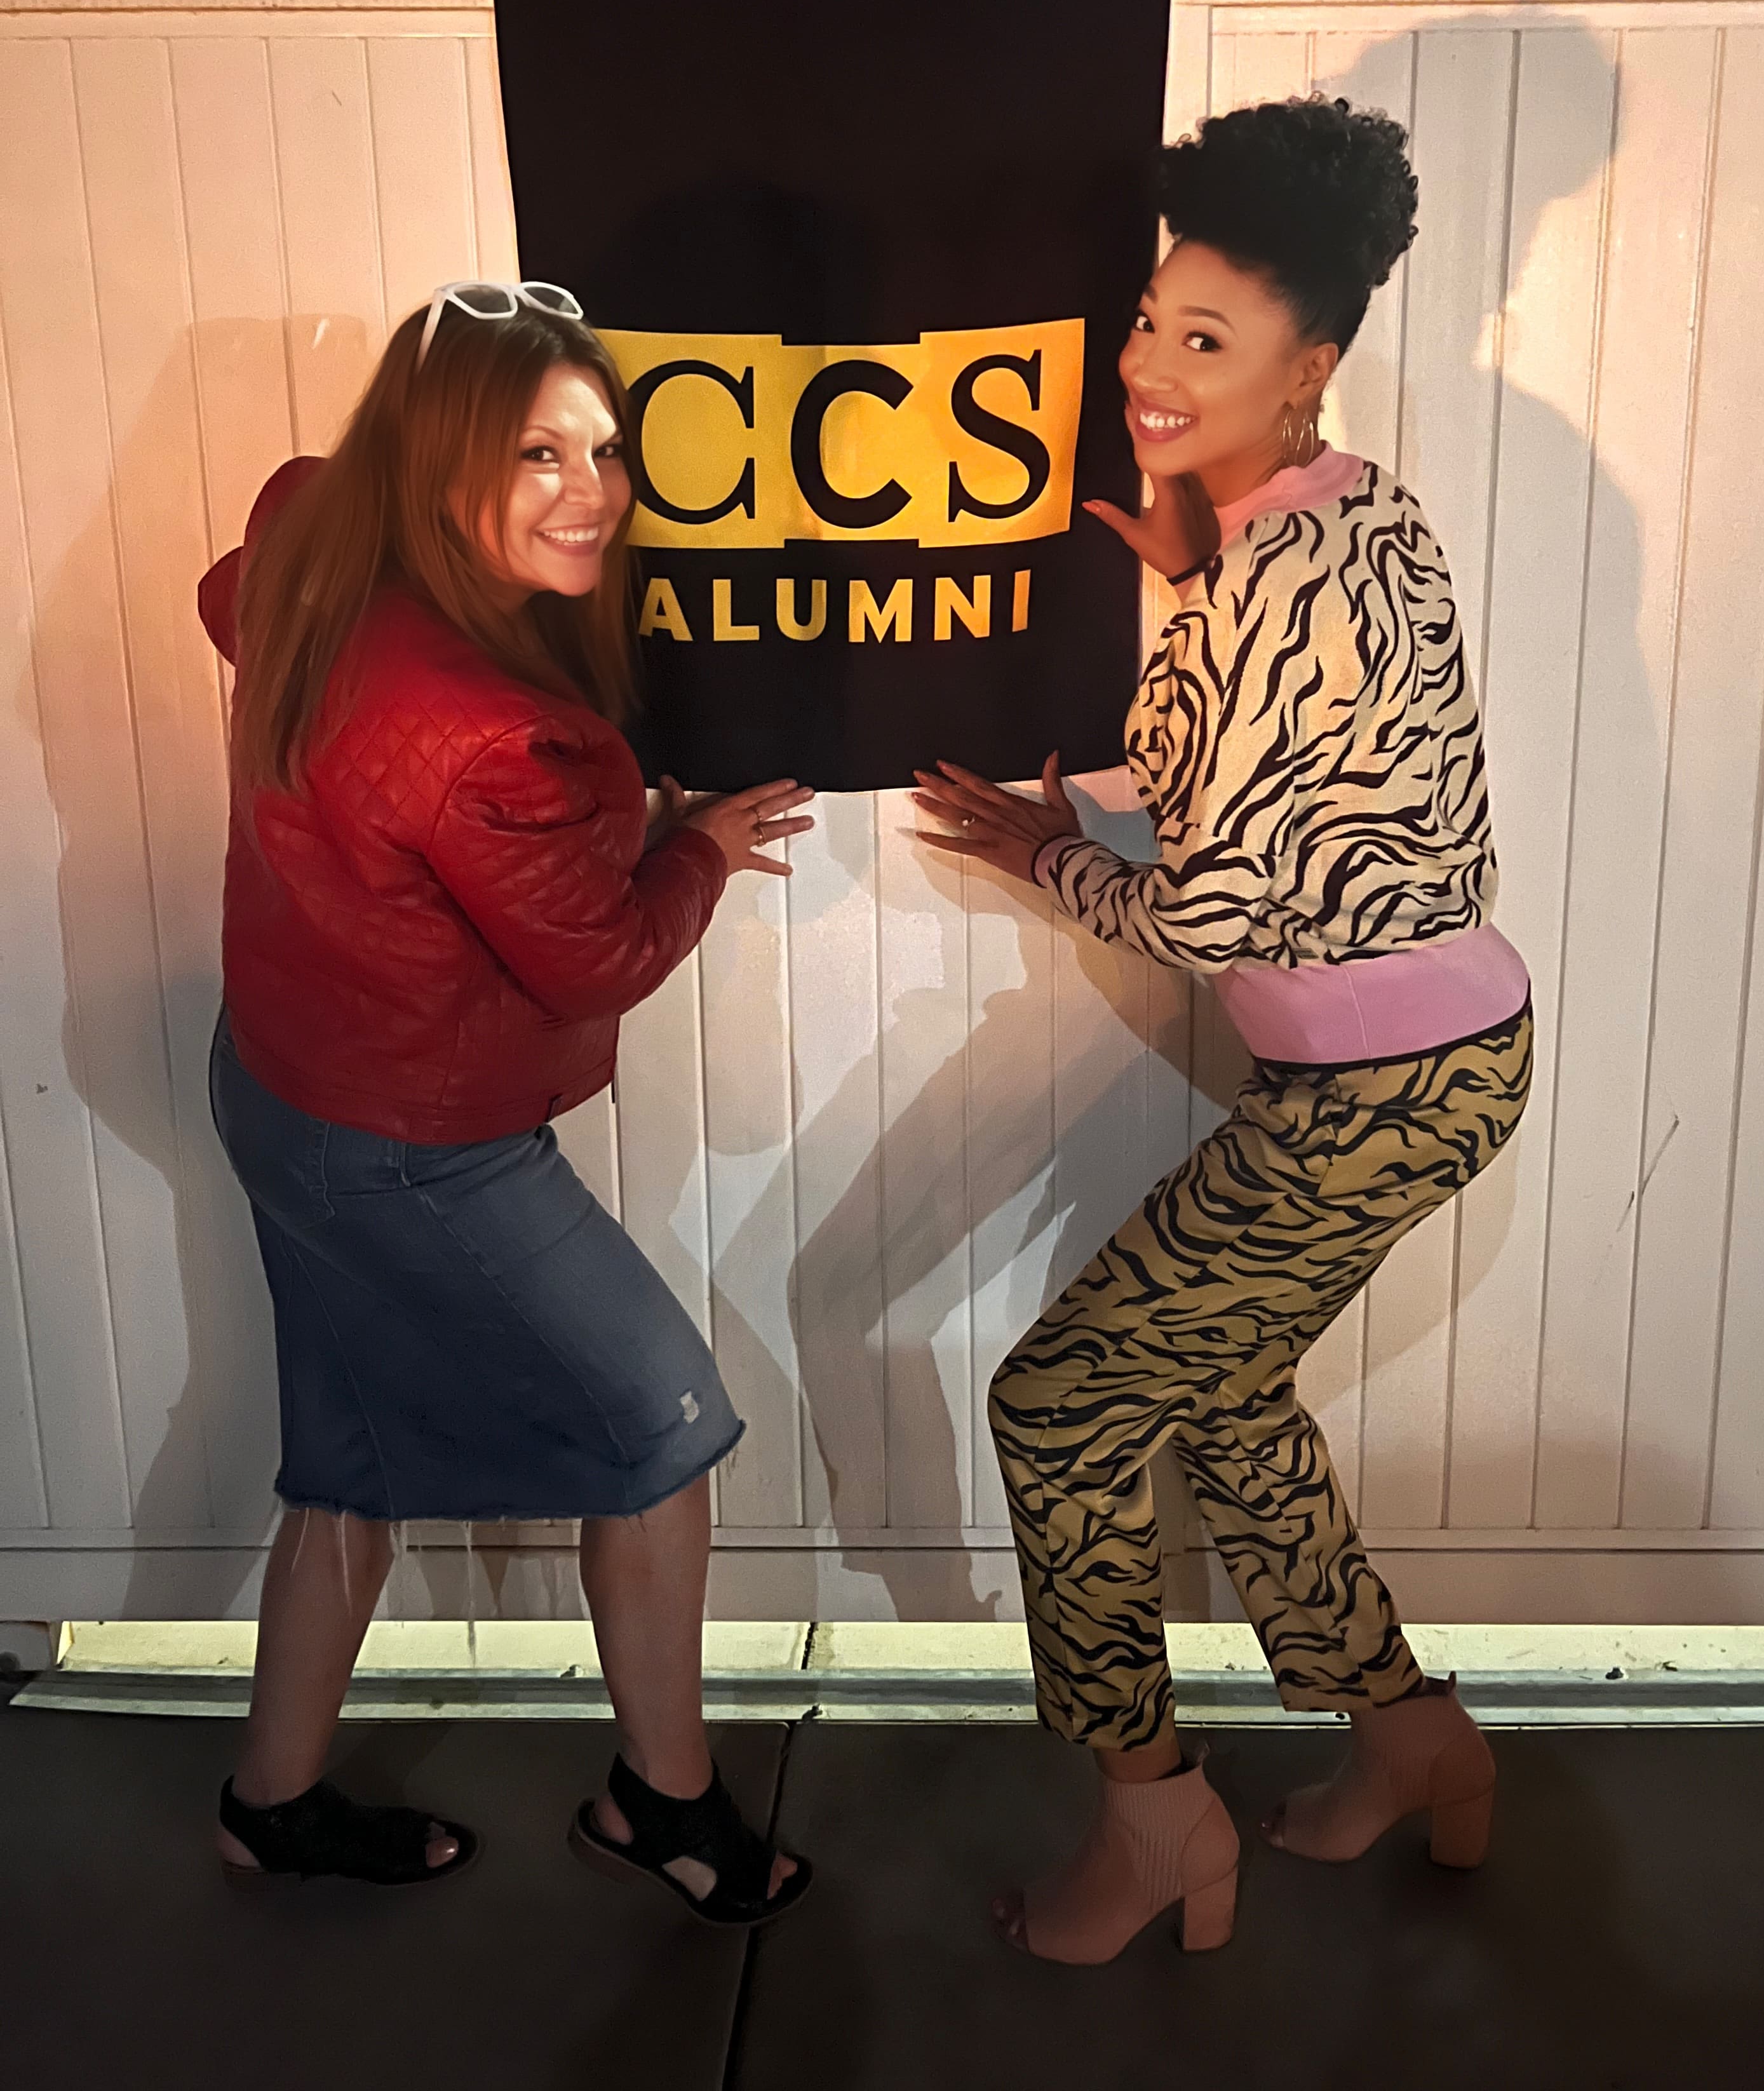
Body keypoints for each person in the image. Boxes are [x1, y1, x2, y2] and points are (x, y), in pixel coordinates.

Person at [914, 99, 1533, 1965]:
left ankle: (1153, 1821)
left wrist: (1046, 856)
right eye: (1147, 325)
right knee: (1223, 1391)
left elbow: (1213, 904)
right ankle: (1413, 1741)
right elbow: (1247, 775)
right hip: (1428, 1058)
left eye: (1208, 340)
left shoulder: (1270, 563)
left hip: (1380, 1085)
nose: (1150, 370)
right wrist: (1172, 600)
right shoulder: (1341, 508)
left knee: (1065, 1405)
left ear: (1312, 360)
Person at [198, 279, 814, 1920]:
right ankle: (663, 1808)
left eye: (604, 446)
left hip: (283, 1086)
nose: (593, 489)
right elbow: (593, 958)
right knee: (664, 1429)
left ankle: (271, 1807)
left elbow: (222, 598)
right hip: (405, 1148)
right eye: (537, 451)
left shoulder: (308, 533)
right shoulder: (488, 735)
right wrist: (693, 845)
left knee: (346, 1464)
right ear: (443, 452)